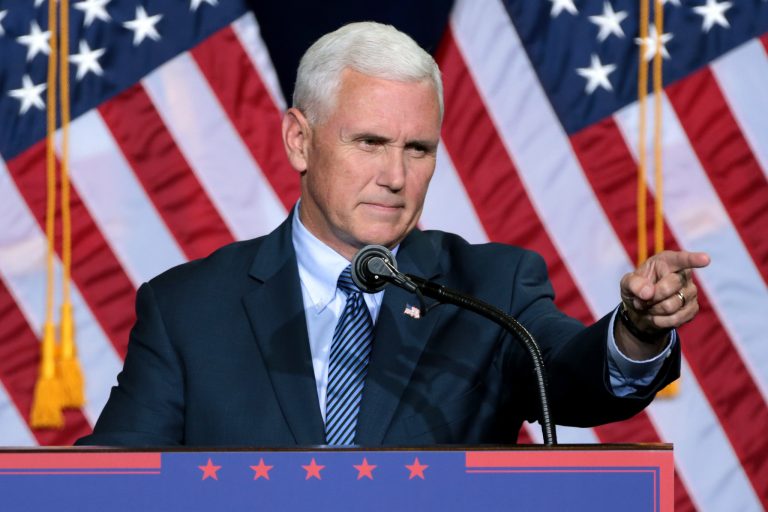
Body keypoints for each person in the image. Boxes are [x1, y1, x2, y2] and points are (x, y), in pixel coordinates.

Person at [77, 22, 709, 447]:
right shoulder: (189, 309)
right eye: (370, 142)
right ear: (299, 140)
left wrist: (637, 332)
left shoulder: (489, 290)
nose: (396, 176)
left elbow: (573, 379)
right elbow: (109, 483)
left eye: (418, 149)